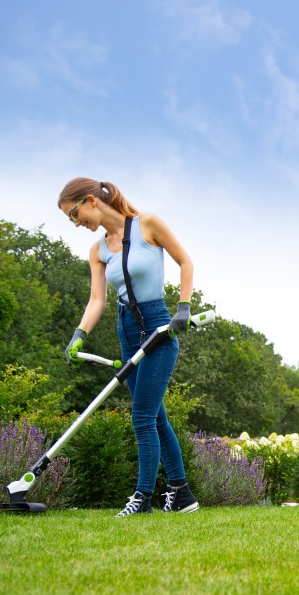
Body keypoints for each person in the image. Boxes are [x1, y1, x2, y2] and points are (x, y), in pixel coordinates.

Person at [58, 177, 199, 516]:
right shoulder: (98, 250)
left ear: (91, 201)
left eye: (75, 215)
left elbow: (186, 262)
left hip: (158, 327)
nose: (77, 224)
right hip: (126, 330)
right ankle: (182, 494)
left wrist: (183, 307)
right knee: (155, 417)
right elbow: (97, 301)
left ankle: (142, 499)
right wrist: (79, 334)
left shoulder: (147, 225)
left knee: (142, 417)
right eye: (70, 220)